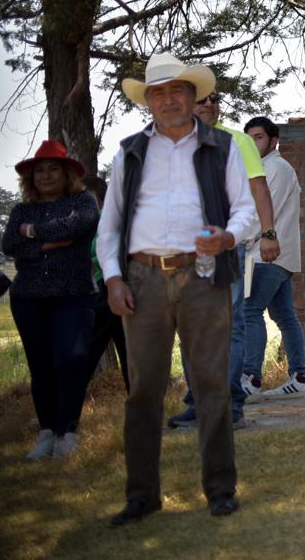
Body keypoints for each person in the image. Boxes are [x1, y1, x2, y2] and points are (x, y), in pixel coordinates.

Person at [97, 53, 257, 524]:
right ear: (148, 101)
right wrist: (112, 279)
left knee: (211, 385)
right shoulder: (128, 152)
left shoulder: (222, 147)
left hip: (204, 276)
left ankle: (221, 490)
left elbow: (245, 211)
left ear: (194, 96)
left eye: (177, 91)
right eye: (158, 92)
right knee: (143, 390)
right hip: (141, 280)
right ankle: (142, 495)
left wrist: (229, 237)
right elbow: (109, 228)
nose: (168, 99)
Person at [167, 88, 270, 429]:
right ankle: (198, 403)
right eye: (201, 98)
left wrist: (268, 233)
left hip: (227, 244)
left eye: (215, 98)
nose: (210, 103)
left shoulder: (237, 141)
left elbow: (258, 188)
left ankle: (230, 406)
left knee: (231, 325)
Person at [2, 139, 100, 460]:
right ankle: (46, 433)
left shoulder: (84, 201)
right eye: (39, 171)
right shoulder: (20, 210)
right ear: (31, 178)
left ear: (66, 173)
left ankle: (67, 433)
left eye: (52, 169)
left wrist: (30, 233)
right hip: (28, 298)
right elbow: (9, 245)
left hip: (73, 296)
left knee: (70, 362)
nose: (45, 176)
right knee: (40, 366)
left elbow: (78, 225)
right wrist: (45, 244)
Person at [240, 116, 305, 399]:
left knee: (249, 311)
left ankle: (251, 379)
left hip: (266, 254)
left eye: (258, 137)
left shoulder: (277, 168)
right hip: (275, 256)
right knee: (284, 315)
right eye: (249, 138)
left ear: (273, 140)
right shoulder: (260, 168)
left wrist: (237, 239)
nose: (253, 143)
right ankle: (300, 377)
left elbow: (262, 215)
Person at [83, 173, 129, 391]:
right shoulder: (93, 222)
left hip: (114, 288)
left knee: (88, 348)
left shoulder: (106, 220)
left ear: (94, 197)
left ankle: (63, 408)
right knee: (127, 349)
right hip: (108, 288)